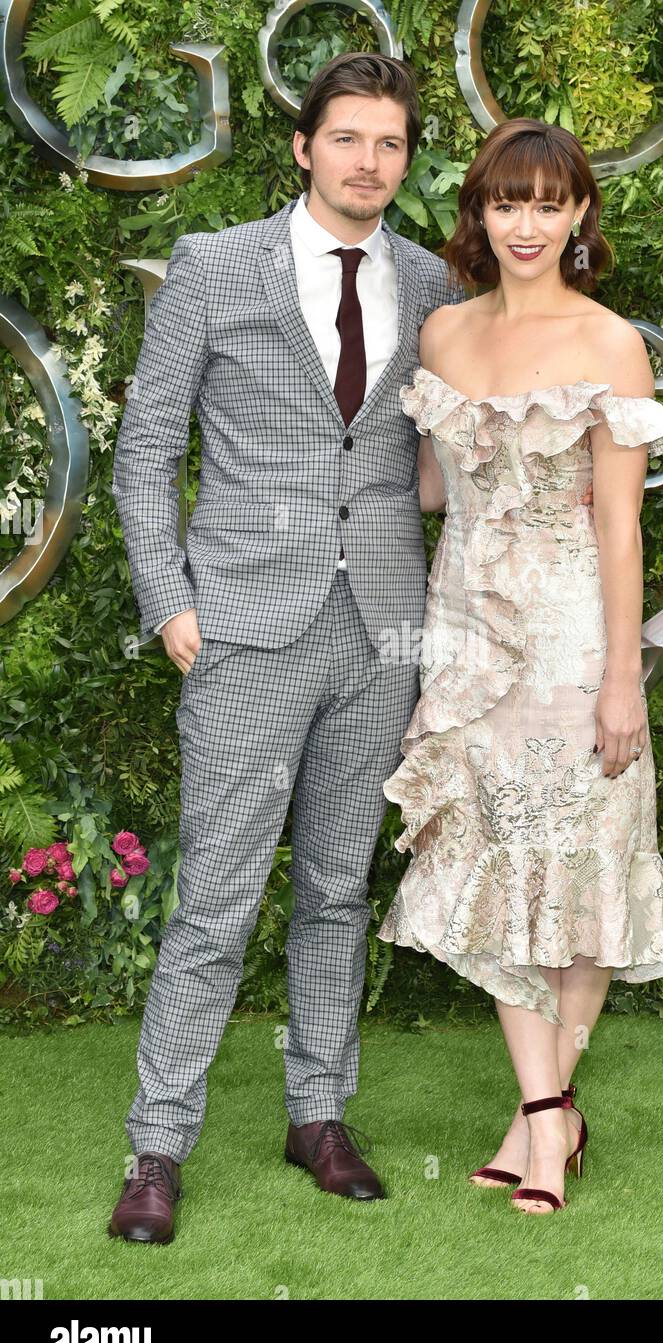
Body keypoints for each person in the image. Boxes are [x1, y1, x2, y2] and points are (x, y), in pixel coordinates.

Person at [108, 51, 470, 1242]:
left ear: (406, 162)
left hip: (377, 630)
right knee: (214, 900)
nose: (371, 160)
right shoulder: (215, 268)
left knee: (332, 889)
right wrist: (170, 600)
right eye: (350, 138)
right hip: (245, 630)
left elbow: (435, 456)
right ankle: (156, 1148)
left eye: (392, 144)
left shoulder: (427, 283)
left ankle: (318, 1113)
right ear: (303, 147)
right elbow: (147, 444)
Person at [377, 117, 663, 1215]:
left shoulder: (609, 343)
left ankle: (542, 1121)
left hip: (572, 644)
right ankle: (546, 1112)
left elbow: (621, 531)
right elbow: (428, 488)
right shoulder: (441, 336)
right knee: (497, 866)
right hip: (466, 636)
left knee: (580, 868)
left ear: (577, 216)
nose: (526, 223)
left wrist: (623, 677)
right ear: (478, 213)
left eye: (547, 203)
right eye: (506, 202)